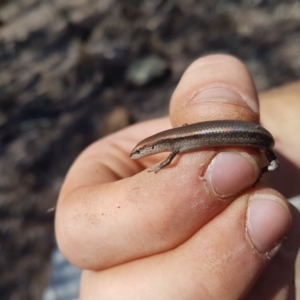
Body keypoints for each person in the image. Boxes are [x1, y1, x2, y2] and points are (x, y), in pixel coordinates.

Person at [55, 54, 300, 299]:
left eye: (143, 150)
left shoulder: (174, 146)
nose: (140, 154)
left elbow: (171, 157)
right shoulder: (175, 143)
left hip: (255, 137)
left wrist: (160, 167)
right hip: (257, 138)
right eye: (141, 150)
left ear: (153, 147)